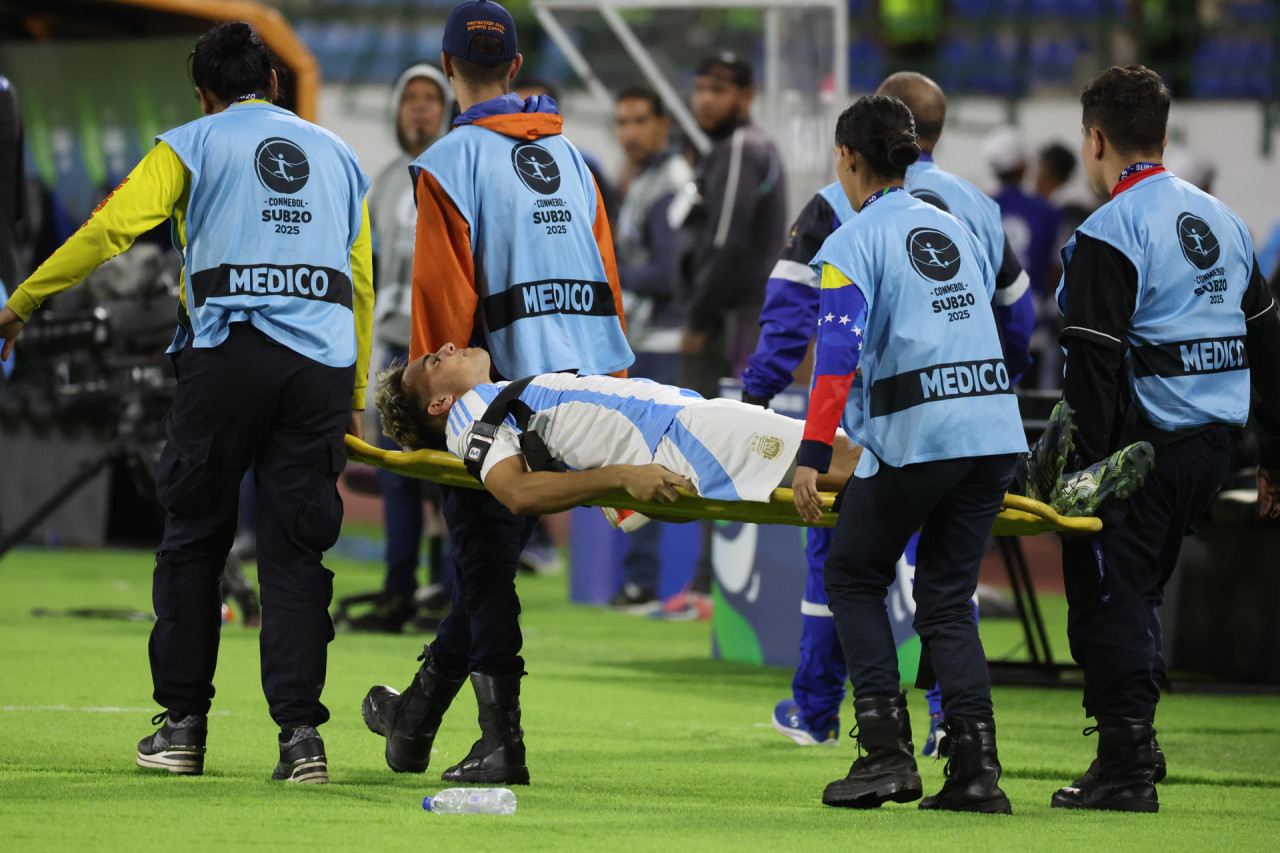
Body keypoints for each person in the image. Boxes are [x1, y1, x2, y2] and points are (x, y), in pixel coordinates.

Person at [0, 22, 373, 783]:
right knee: (297, 550)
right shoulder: (339, 156)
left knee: (197, 534)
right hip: (320, 366)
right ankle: (301, 738)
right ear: (273, 84)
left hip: (228, 358)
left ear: (204, 95)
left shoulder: (191, 144)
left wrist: (21, 304)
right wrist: (356, 389)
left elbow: (110, 231)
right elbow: (359, 278)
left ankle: (182, 729)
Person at [360, 0, 631, 786]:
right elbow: (607, 283)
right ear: (515, 69)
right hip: (584, 384)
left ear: (448, 70)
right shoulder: (576, 160)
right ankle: (414, 717)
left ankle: (501, 741)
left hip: (500, 394)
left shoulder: (449, 162)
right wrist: (616, 397)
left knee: (481, 566)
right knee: (491, 571)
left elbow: (441, 311)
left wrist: (436, 405)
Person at [747, 72, 1035, 755]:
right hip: (992, 429)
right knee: (945, 596)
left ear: (847, 156)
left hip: (908, 434)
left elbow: (834, 357)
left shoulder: (843, 232)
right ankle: (971, 760)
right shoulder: (964, 218)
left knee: (848, 572)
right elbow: (1015, 317)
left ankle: (874, 747)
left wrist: (806, 451)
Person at [1050, 65, 1280, 813]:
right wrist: (1274, 451)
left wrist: (1083, 467)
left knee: (1109, 594)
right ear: (1162, 130)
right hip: (1217, 445)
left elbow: (1091, 362)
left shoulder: (1108, 230)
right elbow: (1268, 342)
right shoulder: (1224, 220)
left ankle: (1123, 763)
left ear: (1095, 140)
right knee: (1140, 590)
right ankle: (1137, 743)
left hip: (1144, 446)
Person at [374, 343, 859, 510]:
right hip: (680, 435)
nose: (452, 348)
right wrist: (622, 477)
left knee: (841, 461)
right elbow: (517, 493)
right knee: (840, 460)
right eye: (437, 360)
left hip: (682, 425)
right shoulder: (467, 416)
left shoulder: (492, 402)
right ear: (439, 403)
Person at [669, 51, 787, 619]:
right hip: (732, 320)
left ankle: (713, 589)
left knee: (720, 448)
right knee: (718, 448)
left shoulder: (743, 147)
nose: (705, 100)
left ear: (746, 94)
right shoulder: (724, 149)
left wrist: (695, 316)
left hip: (732, 325)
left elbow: (724, 242)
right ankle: (709, 583)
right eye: (700, 88)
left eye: (718, 89)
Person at [351, 63, 454, 633]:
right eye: (409, 97)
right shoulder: (384, 179)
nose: (419, 107)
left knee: (451, 477)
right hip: (394, 347)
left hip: (446, 351)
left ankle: (450, 591)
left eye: (429, 97)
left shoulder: (460, 170)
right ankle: (399, 591)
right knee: (397, 477)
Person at [608, 86, 695, 611]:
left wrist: (612, 277)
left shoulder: (671, 182)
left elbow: (670, 273)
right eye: (621, 121)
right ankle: (643, 578)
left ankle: (648, 580)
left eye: (640, 120)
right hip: (644, 338)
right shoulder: (645, 178)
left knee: (651, 462)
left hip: (664, 342)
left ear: (664, 124)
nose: (630, 132)